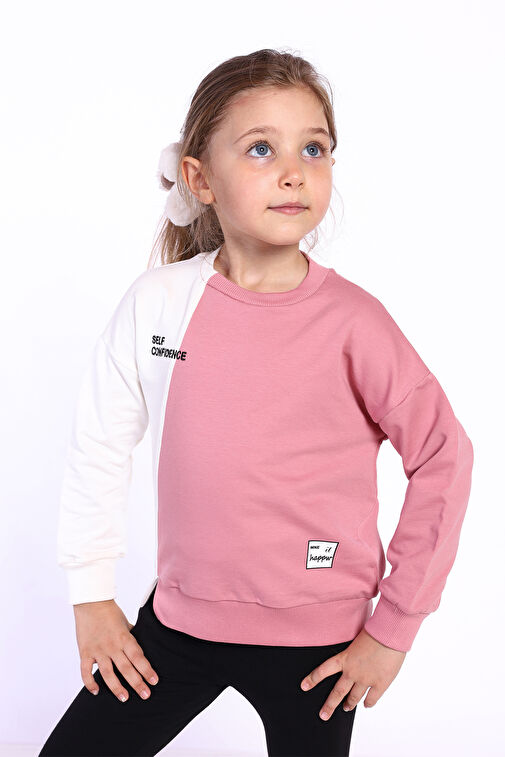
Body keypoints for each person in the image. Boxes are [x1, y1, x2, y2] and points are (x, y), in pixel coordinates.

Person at [38, 48, 474, 757]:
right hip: (178, 630)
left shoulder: (356, 323)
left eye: (314, 148)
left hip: (321, 649)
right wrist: (91, 596)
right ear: (199, 178)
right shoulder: (159, 304)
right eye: (261, 148)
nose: (294, 171)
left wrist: (393, 628)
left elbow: (444, 456)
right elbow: (100, 445)